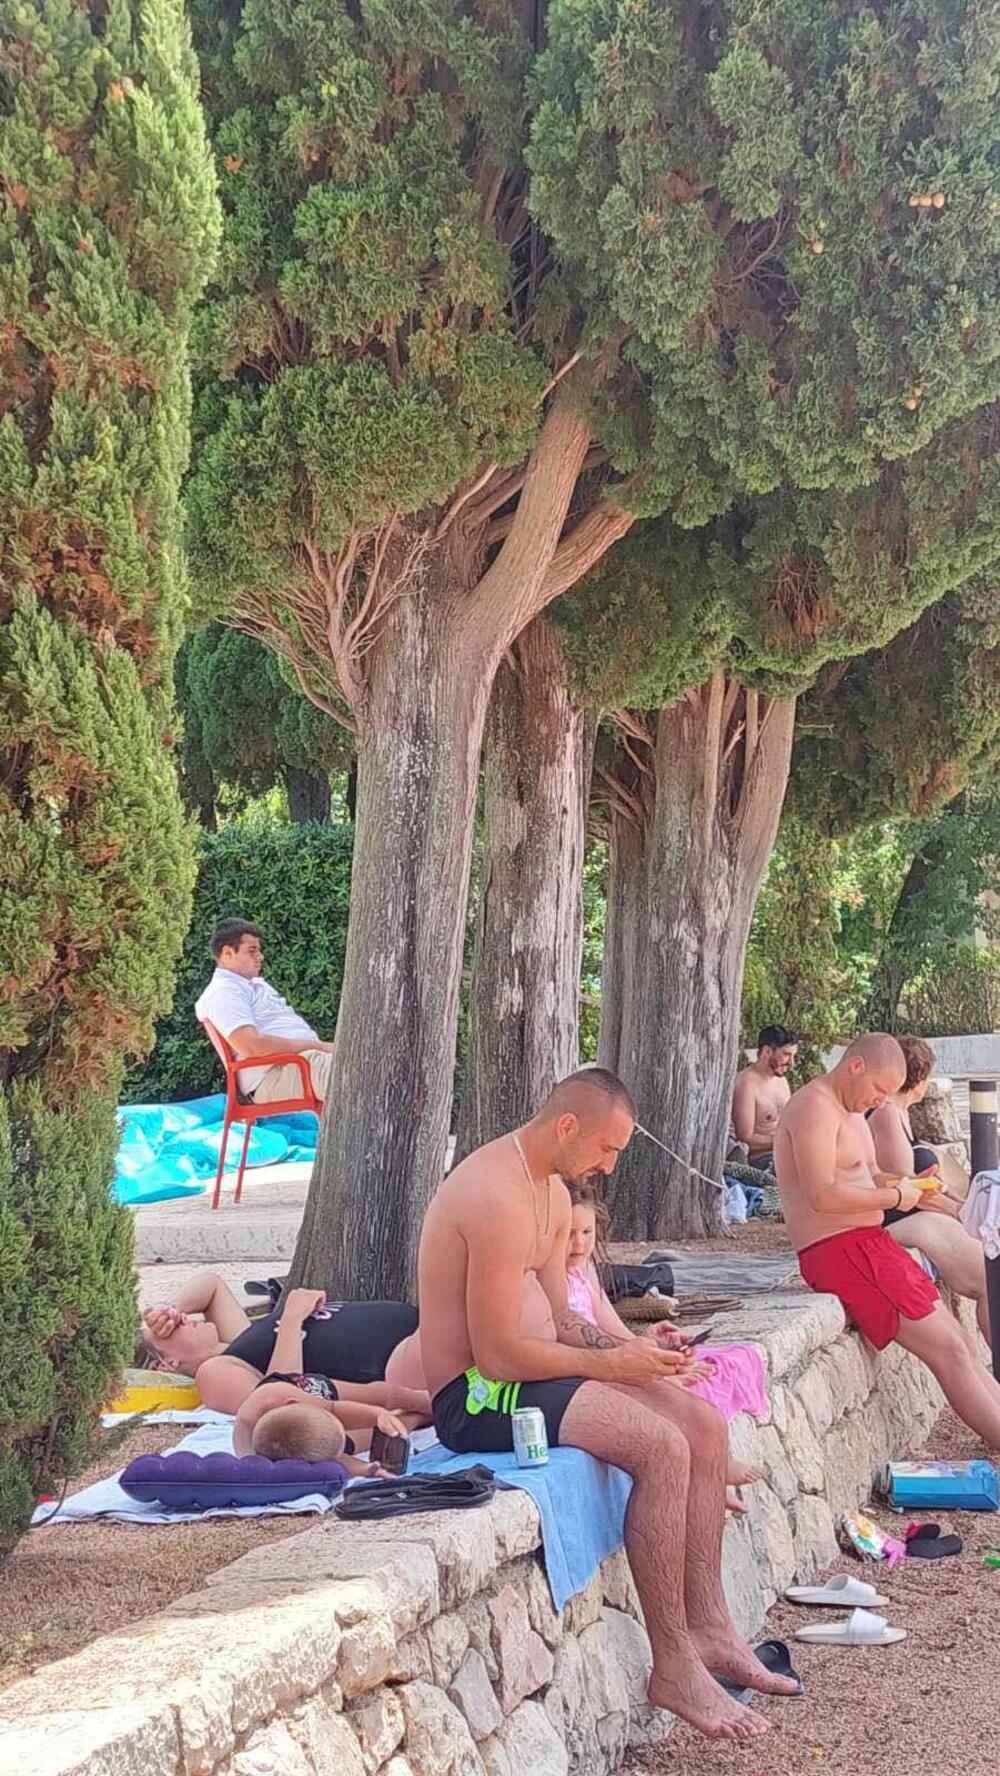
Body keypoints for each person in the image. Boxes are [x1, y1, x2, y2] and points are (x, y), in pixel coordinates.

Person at [417, 1067, 798, 1743]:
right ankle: (672, 1664)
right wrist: (610, 1366)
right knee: (660, 1446)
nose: (611, 1165)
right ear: (567, 1126)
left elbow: (563, 1321)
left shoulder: (551, 1192)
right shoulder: (495, 1194)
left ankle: (711, 1629)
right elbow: (497, 1357)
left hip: (536, 1373)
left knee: (702, 1427)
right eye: (606, 1148)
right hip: (474, 1396)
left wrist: (634, 1349)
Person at [775, 1034, 1000, 1448]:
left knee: (960, 1343)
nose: (881, 1101)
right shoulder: (814, 1106)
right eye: (879, 1089)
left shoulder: (852, 1111)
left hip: (871, 1242)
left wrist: (915, 1187)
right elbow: (822, 1194)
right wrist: (897, 1197)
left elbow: (870, 1176)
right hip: (838, 1248)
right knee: (948, 1351)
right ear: (856, 1065)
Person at [565, 1184, 771, 1448]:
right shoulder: (547, 1281)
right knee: (687, 1391)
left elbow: (613, 1328)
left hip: (613, 1355)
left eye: (586, 1232)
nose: (579, 1244)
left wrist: (651, 1345)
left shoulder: (585, 1270)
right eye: (569, 1234)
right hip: (594, 1369)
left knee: (736, 1358)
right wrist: (657, 1374)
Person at [140, 1270, 428, 1416]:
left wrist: (168, 1308)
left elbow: (211, 1285)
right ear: (168, 1363)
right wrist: (291, 1318)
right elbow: (279, 1401)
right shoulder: (214, 1373)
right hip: (403, 1358)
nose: (181, 1319)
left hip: (421, 1324)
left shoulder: (239, 1340)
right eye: (170, 1329)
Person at [867, 1037, 990, 1348]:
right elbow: (908, 1188)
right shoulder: (887, 1115)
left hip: (914, 1213)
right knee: (992, 1278)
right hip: (900, 1217)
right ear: (920, 1077)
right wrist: (960, 1212)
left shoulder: (898, 1113)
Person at [195, 917, 336, 1104]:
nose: (260, 957)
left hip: (301, 1064)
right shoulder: (223, 992)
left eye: (259, 951)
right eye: (252, 951)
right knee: (359, 1072)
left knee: (366, 1061)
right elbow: (252, 1046)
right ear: (227, 953)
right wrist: (316, 1046)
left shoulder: (254, 985)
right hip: (275, 1075)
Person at [729, 1024, 799, 1168]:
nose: (791, 1063)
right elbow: (745, 1139)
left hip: (784, 1152)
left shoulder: (781, 1080)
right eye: (786, 1055)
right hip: (761, 1160)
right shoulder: (746, 1084)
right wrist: (784, 1141)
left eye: (793, 1056)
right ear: (767, 1051)